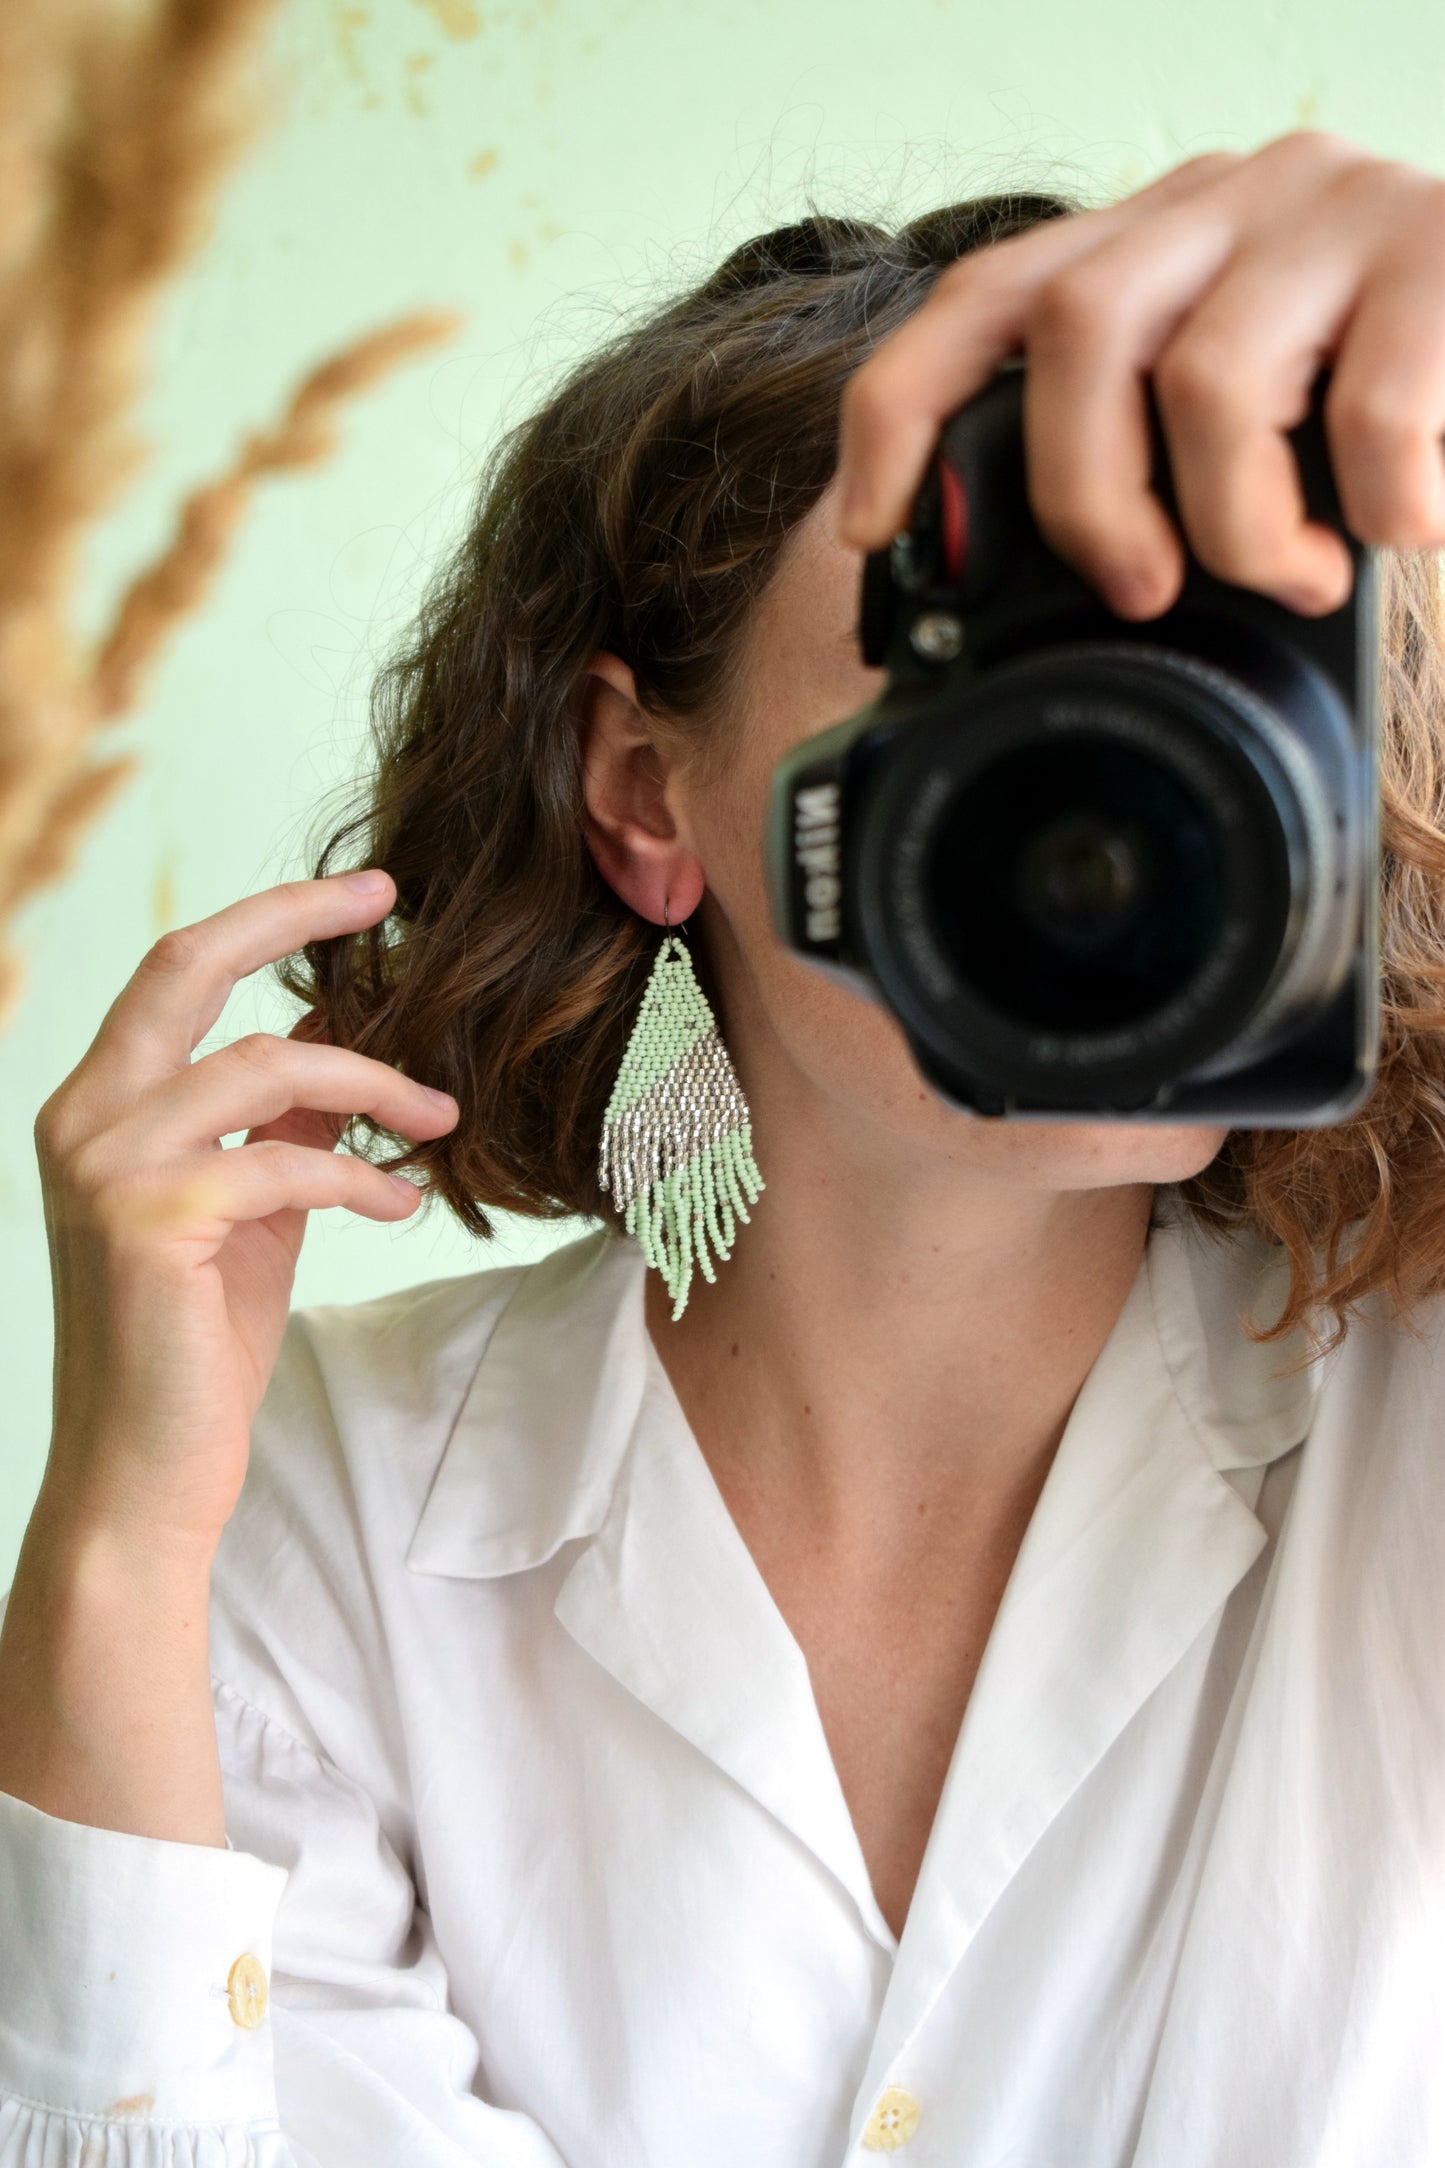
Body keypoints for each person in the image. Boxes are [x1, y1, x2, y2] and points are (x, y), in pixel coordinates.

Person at [0, 128, 1442, 2166]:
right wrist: (119, 1564)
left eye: (1208, 689)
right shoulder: (310, 1491)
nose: (1133, 803)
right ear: (647, 792)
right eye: (987, 682)